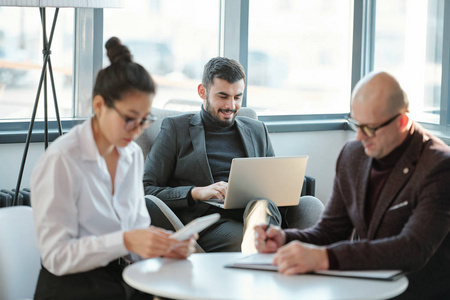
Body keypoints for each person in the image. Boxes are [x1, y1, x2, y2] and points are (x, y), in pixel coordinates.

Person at [254, 71, 450, 299]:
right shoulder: (353, 155)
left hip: (418, 291)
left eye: (369, 128)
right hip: (363, 286)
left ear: (402, 122)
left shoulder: (439, 167)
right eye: (357, 124)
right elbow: (331, 230)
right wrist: (286, 239)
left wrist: (325, 258)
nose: (358, 137)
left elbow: (412, 249)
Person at [30, 37, 197, 300]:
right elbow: (56, 256)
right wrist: (126, 241)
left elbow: (135, 228)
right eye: (130, 119)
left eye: (145, 120)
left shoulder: (131, 154)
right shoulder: (62, 159)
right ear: (99, 106)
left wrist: (163, 245)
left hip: (122, 278)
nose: (138, 129)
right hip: (71, 287)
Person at [143, 56, 320, 253]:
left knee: (262, 203)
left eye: (237, 97)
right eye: (223, 96)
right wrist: (196, 192)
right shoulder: (176, 130)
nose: (231, 106)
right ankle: (263, 246)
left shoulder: (257, 130)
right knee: (250, 241)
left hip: (260, 215)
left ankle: (262, 242)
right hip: (213, 223)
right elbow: (146, 189)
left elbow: (273, 186)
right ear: (203, 92)